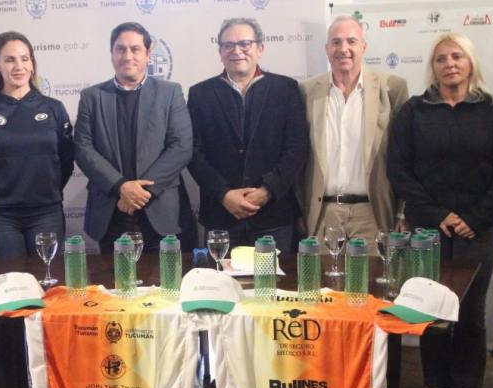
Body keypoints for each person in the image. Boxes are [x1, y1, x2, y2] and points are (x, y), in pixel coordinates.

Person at [388, 32, 493, 388]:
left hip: (477, 230)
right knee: (430, 308)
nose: (450, 64)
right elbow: (399, 169)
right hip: (428, 229)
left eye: (457, 56)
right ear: (433, 67)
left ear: (470, 62)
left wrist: (474, 217)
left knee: (470, 311)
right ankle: (434, 386)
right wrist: (438, 215)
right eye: (441, 58)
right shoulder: (414, 111)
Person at [188, 18, 308, 252]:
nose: (237, 51)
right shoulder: (200, 93)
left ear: (260, 48)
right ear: (220, 52)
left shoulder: (285, 89)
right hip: (221, 216)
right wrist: (223, 194)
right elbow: (193, 152)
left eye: (245, 44)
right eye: (228, 45)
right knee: (220, 277)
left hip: (273, 216)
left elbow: (297, 148)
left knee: (272, 277)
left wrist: (266, 191)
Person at [74, 22, 193, 253]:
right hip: (111, 211)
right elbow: (83, 148)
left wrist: (140, 193)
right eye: (120, 49)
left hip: (160, 209)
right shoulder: (92, 97)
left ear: (148, 54)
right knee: (113, 277)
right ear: (112, 54)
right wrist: (121, 187)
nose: (127, 56)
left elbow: (182, 146)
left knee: (164, 277)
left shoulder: (170, 92)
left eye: (135, 49)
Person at [298, 15, 409, 243]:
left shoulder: (392, 88)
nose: (343, 49)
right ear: (327, 49)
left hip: (373, 214)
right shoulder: (306, 91)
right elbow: (298, 156)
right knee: (323, 269)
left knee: (374, 269)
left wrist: (403, 210)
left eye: (351, 41)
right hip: (323, 214)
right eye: (336, 42)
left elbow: (407, 155)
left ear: (363, 47)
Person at [0, 31, 74, 257]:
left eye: (24, 59)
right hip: (0, 217)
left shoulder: (53, 108)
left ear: (32, 64)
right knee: (11, 278)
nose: (18, 66)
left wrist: (47, 192)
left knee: (48, 277)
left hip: (46, 214)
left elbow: (66, 161)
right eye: (9, 60)